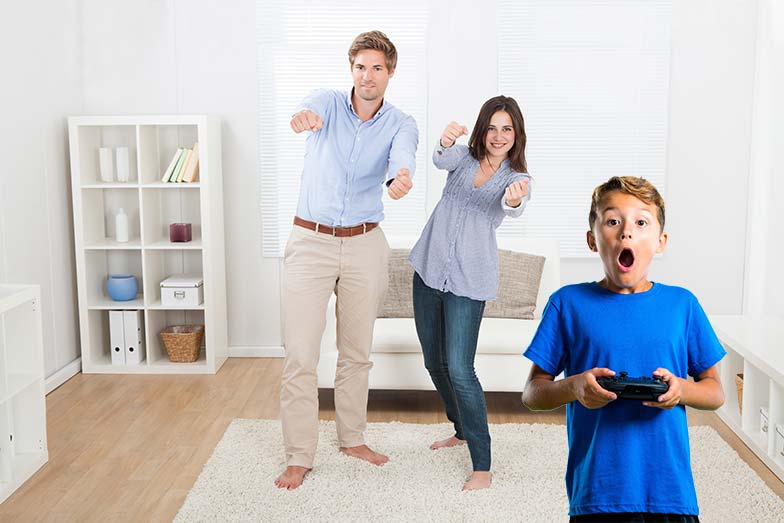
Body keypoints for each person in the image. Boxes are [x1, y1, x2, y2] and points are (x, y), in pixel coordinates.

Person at [522, 176, 726, 521]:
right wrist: (574, 387)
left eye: (641, 222)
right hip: (597, 495)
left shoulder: (683, 305)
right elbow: (532, 393)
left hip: (670, 495)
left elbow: (716, 392)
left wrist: (681, 389)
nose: (626, 232)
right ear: (592, 239)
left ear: (660, 242)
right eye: (613, 220)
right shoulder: (567, 303)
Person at [275, 30, 418, 490]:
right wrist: (303, 118)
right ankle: (299, 454)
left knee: (356, 353)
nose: (367, 76)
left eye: (377, 67)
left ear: (390, 73)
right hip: (310, 241)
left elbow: (405, 156)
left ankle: (352, 438)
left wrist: (401, 178)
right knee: (300, 354)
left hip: (364, 244)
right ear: (351, 69)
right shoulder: (329, 103)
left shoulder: (400, 122)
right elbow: (309, 107)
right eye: (360, 66)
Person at [408, 95, 532, 491]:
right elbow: (440, 159)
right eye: (492, 127)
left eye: (507, 129)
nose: (498, 136)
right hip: (428, 269)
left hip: (468, 281)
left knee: (460, 369)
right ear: (482, 128)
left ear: (517, 134)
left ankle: (482, 463)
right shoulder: (463, 157)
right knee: (434, 362)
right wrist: (444, 142)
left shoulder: (515, 177)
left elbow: (516, 204)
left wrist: (516, 201)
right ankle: (460, 429)